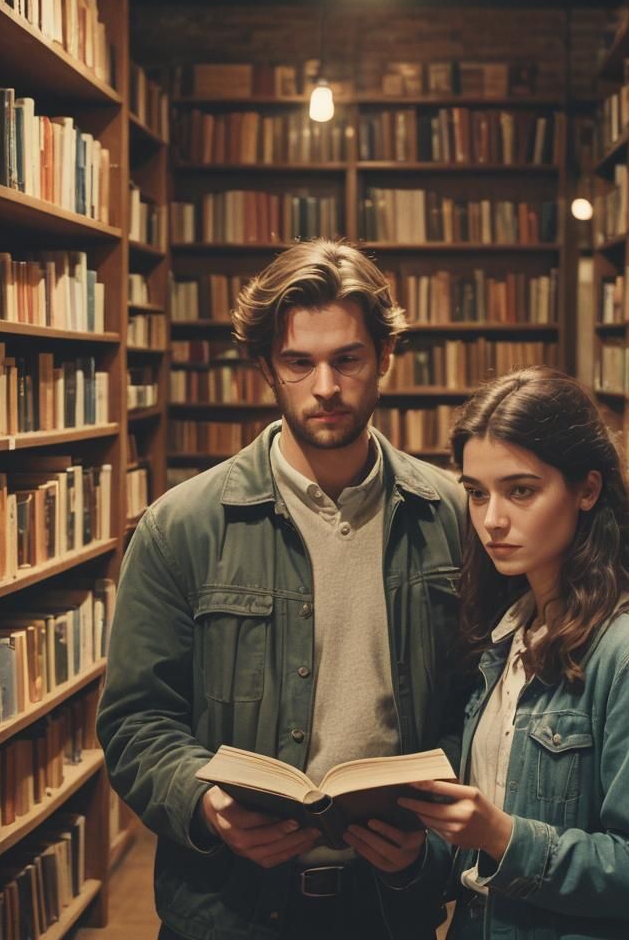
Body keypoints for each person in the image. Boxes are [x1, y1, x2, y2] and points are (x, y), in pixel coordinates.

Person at [96, 239, 466, 940]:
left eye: (347, 359)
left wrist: (435, 848)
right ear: (267, 367)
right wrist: (204, 804)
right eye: (299, 362)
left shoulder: (449, 516)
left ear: (386, 356)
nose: (325, 386)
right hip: (230, 909)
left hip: (391, 905)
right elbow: (136, 720)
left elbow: (478, 707)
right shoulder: (183, 527)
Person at [398, 366, 629, 940]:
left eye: (521, 491)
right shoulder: (508, 631)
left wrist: (502, 836)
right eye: (476, 493)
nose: (492, 520)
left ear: (587, 489)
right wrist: (416, 855)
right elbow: (479, 845)